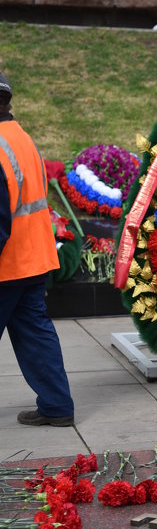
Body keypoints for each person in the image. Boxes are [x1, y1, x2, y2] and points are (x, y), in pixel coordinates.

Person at [0, 71, 74, 426]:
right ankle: (57, 406)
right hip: (33, 260)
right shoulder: (21, 138)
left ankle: (57, 405)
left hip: (7, 264)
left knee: (35, 334)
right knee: (36, 335)